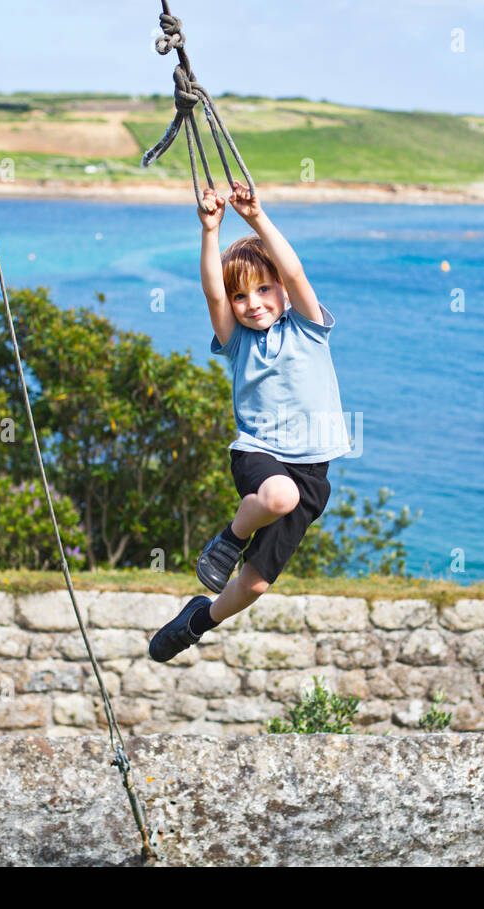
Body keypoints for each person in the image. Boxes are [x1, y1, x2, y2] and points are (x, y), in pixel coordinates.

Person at [149, 182, 353, 662]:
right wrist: (211, 230)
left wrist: (257, 218)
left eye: (264, 288)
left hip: (312, 470)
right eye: (241, 296)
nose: (253, 302)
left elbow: (295, 268)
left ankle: (197, 620)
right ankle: (230, 539)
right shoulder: (238, 340)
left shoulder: (308, 327)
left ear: (282, 288)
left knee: (257, 583)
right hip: (259, 454)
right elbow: (212, 293)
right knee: (278, 496)